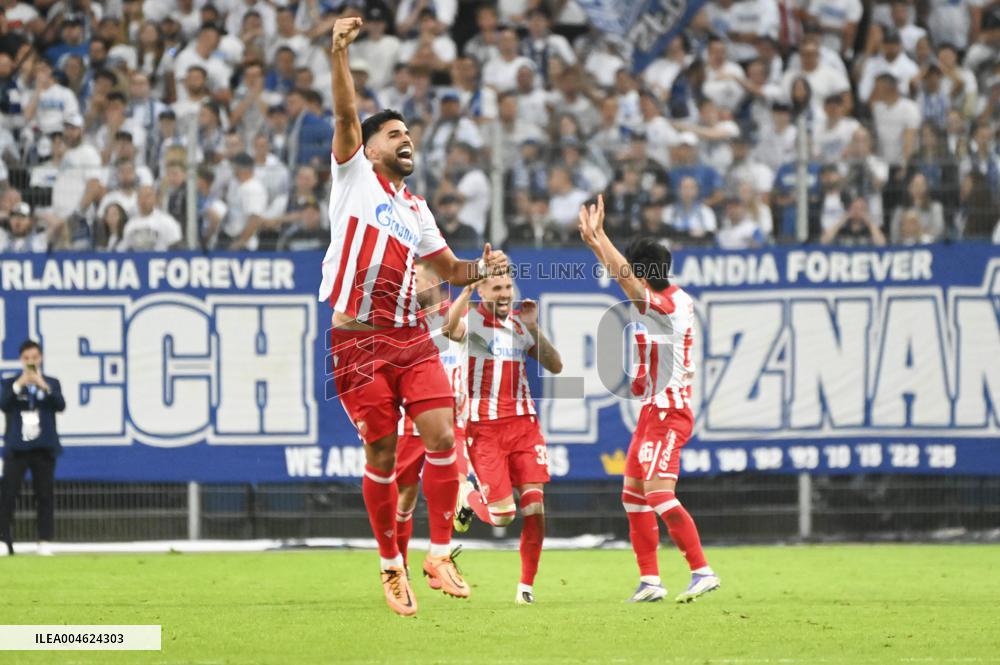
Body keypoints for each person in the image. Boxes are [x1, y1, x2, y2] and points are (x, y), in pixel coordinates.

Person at [321, 17, 507, 618]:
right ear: (371, 147)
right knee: (380, 453)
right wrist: (339, 55)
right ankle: (390, 565)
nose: (406, 140)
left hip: (409, 338)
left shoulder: (416, 208)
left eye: (409, 134)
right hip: (357, 340)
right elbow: (346, 115)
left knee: (443, 437)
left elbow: (448, 269)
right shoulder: (353, 175)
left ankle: (439, 553)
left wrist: (481, 269)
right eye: (394, 133)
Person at [577, 196, 720, 603]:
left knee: (658, 493)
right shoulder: (666, 298)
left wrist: (600, 237)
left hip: (669, 412)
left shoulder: (669, 307)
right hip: (651, 413)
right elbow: (624, 276)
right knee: (634, 497)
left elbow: (625, 280)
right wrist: (595, 243)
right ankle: (650, 581)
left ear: (642, 273)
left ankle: (702, 571)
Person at [457, 271, 564, 605]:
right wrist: (465, 291)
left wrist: (534, 328)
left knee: (535, 507)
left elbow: (556, 365)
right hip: (485, 431)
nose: (505, 293)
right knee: (503, 516)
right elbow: (447, 330)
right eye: (497, 288)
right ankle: (467, 495)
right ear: (481, 290)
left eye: (508, 287)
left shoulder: (519, 325)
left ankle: (525, 587)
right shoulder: (469, 321)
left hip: (524, 428)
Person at [394, 263, 475, 575]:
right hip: (410, 421)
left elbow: (455, 331)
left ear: (435, 282)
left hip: (450, 419)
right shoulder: (400, 320)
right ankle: (399, 566)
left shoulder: (458, 316)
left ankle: (440, 553)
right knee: (405, 496)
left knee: (457, 482)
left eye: (416, 278)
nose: (411, 284)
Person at [0, 340, 66, 557]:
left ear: (41, 358)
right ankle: (3, 540)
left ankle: (44, 540)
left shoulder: (51, 383)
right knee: (8, 494)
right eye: (27, 358)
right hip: (17, 449)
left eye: (35, 358)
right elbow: (3, 404)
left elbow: (60, 405)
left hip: (43, 448)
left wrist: (42, 385)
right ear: (21, 360)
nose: (31, 362)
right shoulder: (9, 383)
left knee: (45, 495)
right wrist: (19, 384)